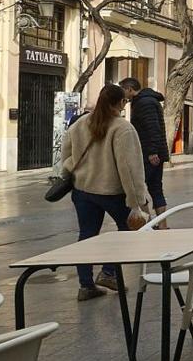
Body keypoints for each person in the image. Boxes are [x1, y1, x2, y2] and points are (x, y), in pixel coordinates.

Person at [62, 84, 150, 301]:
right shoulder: (123, 128)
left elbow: (65, 154)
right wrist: (138, 200)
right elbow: (129, 168)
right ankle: (109, 272)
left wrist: (72, 170)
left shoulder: (80, 124)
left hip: (82, 189)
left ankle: (85, 285)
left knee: (86, 235)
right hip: (112, 191)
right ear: (121, 103)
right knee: (127, 230)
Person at [120, 78, 170, 222]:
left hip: (149, 153)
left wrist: (152, 152)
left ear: (129, 89)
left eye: (123, 90)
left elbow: (152, 128)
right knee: (155, 189)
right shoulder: (146, 101)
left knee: (138, 188)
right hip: (153, 152)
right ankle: (161, 224)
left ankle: (147, 222)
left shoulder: (144, 103)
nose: (123, 94)